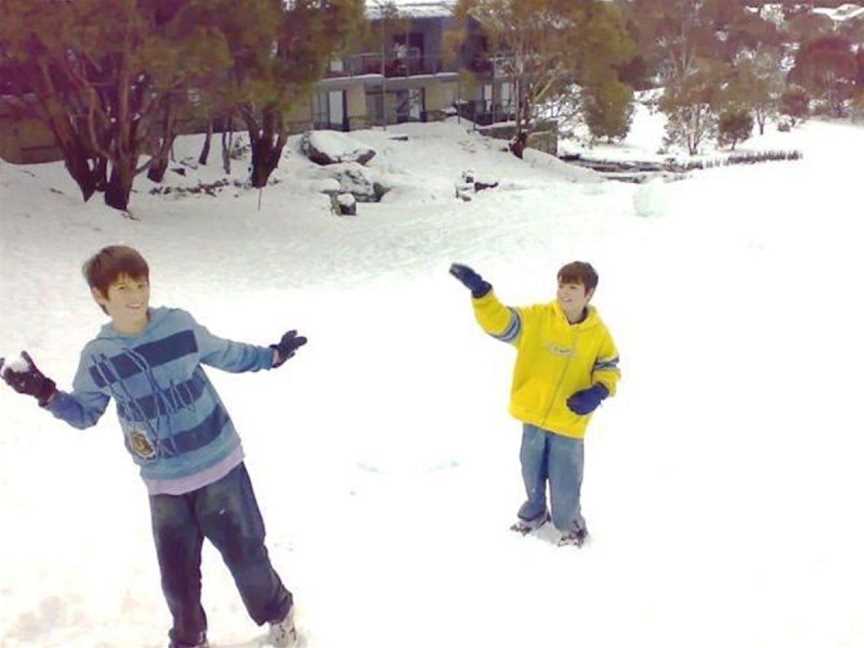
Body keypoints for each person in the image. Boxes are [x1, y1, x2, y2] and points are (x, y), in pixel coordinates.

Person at [0, 245, 307, 648]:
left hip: (219, 467)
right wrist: (45, 392)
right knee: (177, 579)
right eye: (122, 287)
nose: (135, 296)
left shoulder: (178, 326)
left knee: (247, 556)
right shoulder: (98, 357)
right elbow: (85, 413)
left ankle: (279, 617)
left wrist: (272, 356)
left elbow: (226, 353)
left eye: (141, 284)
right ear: (100, 295)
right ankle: (189, 639)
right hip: (164, 484)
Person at [449, 261, 620, 546]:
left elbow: (609, 367)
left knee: (565, 480)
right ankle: (534, 514)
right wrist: (482, 294)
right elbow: (502, 322)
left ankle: (571, 525)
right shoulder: (538, 318)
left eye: (573, 288)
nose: (565, 293)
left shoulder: (598, 334)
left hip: (568, 422)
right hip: (533, 414)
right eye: (562, 286)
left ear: (588, 294)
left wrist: (598, 391)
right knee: (531, 471)